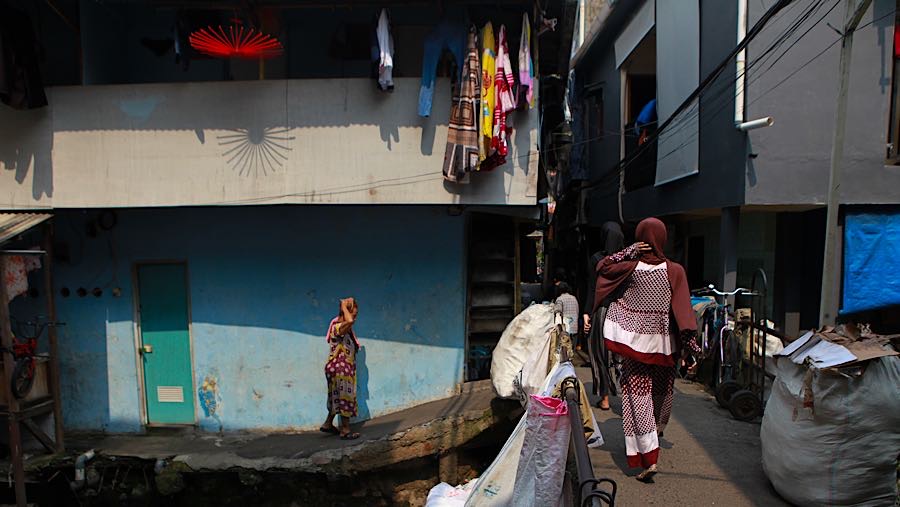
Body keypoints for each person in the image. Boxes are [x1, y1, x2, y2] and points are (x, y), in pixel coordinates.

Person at [593, 218, 699, 482]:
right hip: (665, 346)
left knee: (637, 396)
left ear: (640, 238)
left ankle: (648, 454)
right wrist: (691, 349)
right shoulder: (675, 271)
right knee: (662, 393)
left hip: (633, 344)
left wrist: (628, 252)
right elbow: (684, 313)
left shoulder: (630, 267)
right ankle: (655, 434)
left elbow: (602, 267)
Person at [584, 221, 625, 410]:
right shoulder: (627, 262)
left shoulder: (597, 260)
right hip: (623, 313)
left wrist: (587, 313)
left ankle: (605, 398)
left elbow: (592, 288)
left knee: (600, 354)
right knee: (623, 356)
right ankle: (628, 400)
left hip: (602, 312)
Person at [320, 297, 362, 440]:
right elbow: (349, 321)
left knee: (336, 397)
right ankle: (345, 430)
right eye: (353, 314)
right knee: (345, 396)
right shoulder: (338, 327)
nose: (354, 318)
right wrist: (344, 306)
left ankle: (327, 424)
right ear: (345, 314)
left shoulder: (345, 329)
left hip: (336, 368)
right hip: (340, 368)